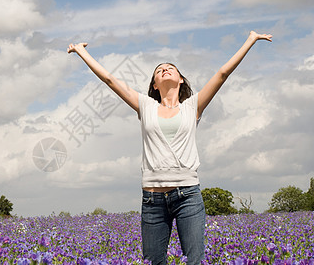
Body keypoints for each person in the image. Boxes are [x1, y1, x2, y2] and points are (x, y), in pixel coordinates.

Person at [67, 31, 272, 265]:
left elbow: (222, 73)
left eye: (170, 67)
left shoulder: (192, 106)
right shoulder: (145, 106)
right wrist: (83, 52)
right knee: (153, 261)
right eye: (158, 70)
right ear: (154, 84)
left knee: (195, 261)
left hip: (188, 196)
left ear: (181, 79)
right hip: (152, 199)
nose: (164, 69)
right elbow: (111, 80)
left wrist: (251, 40)